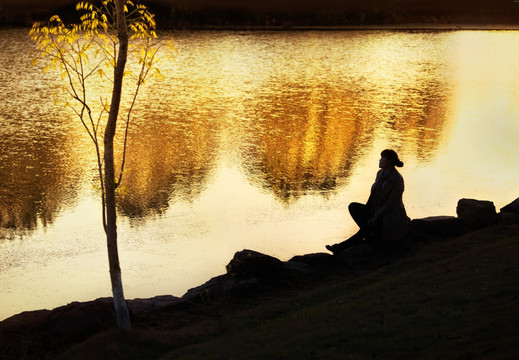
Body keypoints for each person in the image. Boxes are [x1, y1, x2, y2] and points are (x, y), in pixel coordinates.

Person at [326, 149, 409, 255]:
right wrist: (368, 211)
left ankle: (339, 247)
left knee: (364, 230)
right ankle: (369, 233)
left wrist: (375, 217)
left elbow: (391, 204)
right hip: (376, 212)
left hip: (388, 217)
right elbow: (373, 195)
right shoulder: (380, 173)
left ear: (389, 161)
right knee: (353, 207)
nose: (379, 160)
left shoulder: (397, 179)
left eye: (382, 158)